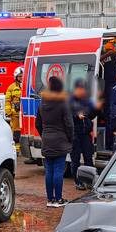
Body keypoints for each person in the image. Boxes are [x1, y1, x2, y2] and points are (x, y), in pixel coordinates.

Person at [35, 76, 73, 208]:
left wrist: (44, 135)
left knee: (49, 171)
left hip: (47, 139)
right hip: (60, 140)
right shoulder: (63, 102)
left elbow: (37, 123)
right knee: (58, 170)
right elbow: (69, 124)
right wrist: (70, 138)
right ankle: (58, 199)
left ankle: (50, 199)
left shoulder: (42, 103)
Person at [69, 79, 98, 190]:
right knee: (75, 160)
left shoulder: (87, 100)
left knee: (88, 158)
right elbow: (67, 117)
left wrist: (95, 109)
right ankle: (78, 182)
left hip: (86, 134)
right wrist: (77, 116)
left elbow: (92, 115)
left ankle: (89, 181)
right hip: (75, 134)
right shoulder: (70, 100)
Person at [99, 41, 116, 149]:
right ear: (113, 48)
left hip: (104, 92)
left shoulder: (100, 59)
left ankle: (108, 145)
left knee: (108, 119)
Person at [4, 67, 23, 144]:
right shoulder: (11, 88)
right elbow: (8, 100)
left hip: (25, 114)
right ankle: (17, 150)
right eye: (19, 76)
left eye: (22, 76)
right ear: (16, 77)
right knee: (16, 133)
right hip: (15, 115)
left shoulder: (27, 86)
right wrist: (8, 111)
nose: (21, 78)